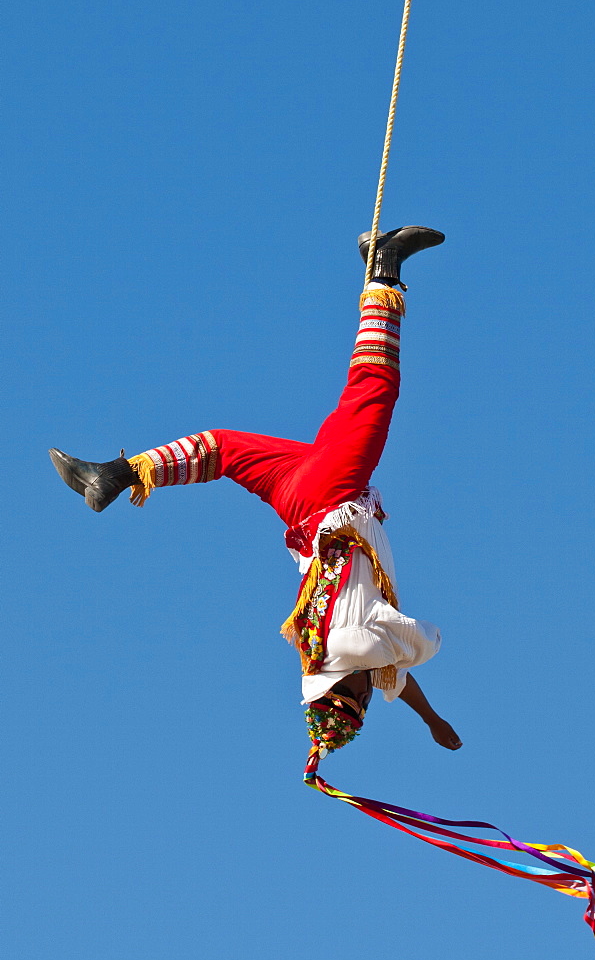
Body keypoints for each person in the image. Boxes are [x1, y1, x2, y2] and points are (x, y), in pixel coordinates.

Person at [49, 226, 462, 763]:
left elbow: (416, 650)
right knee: (222, 449)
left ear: (347, 692)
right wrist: (432, 720)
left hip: (329, 495)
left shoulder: (353, 647)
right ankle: (117, 474)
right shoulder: (319, 654)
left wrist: (415, 689)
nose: (372, 693)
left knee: (372, 392)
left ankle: (384, 268)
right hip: (300, 506)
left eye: (362, 700)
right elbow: (393, 679)